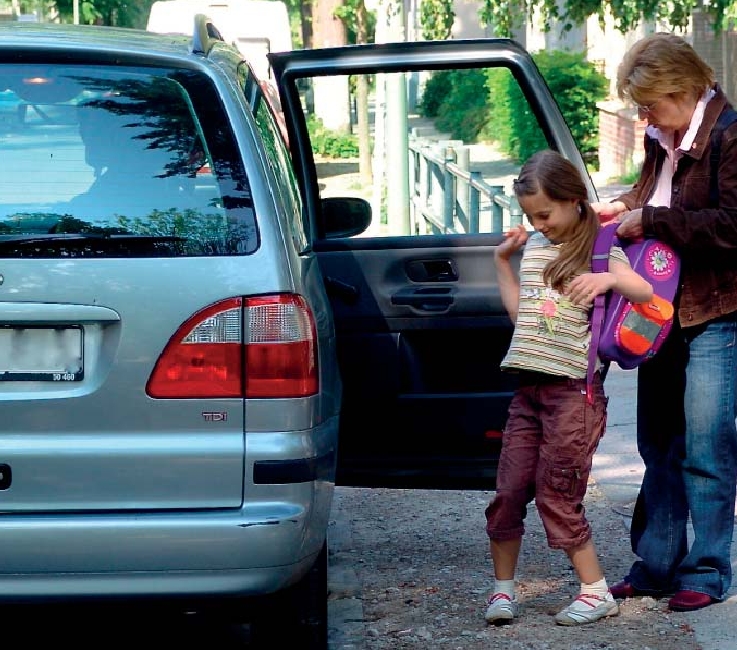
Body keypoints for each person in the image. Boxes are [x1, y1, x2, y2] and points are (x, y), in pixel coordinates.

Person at [589, 32, 737, 613]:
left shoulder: (729, 136)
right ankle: (656, 563)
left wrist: (650, 218)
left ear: (683, 88)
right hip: (658, 310)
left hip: (713, 311)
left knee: (706, 446)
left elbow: (730, 227)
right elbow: (658, 196)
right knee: (657, 442)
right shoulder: (664, 136)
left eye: (651, 105)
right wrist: (627, 206)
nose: (646, 116)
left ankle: (708, 568)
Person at [484, 149, 653, 626]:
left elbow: (643, 291)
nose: (539, 224)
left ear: (574, 200)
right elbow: (523, 319)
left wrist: (605, 279)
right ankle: (503, 592)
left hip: (572, 395)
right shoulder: (535, 248)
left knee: (558, 492)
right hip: (528, 392)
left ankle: (595, 591)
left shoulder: (600, 248)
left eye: (544, 213)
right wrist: (502, 263)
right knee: (508, 491)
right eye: (529, 216)